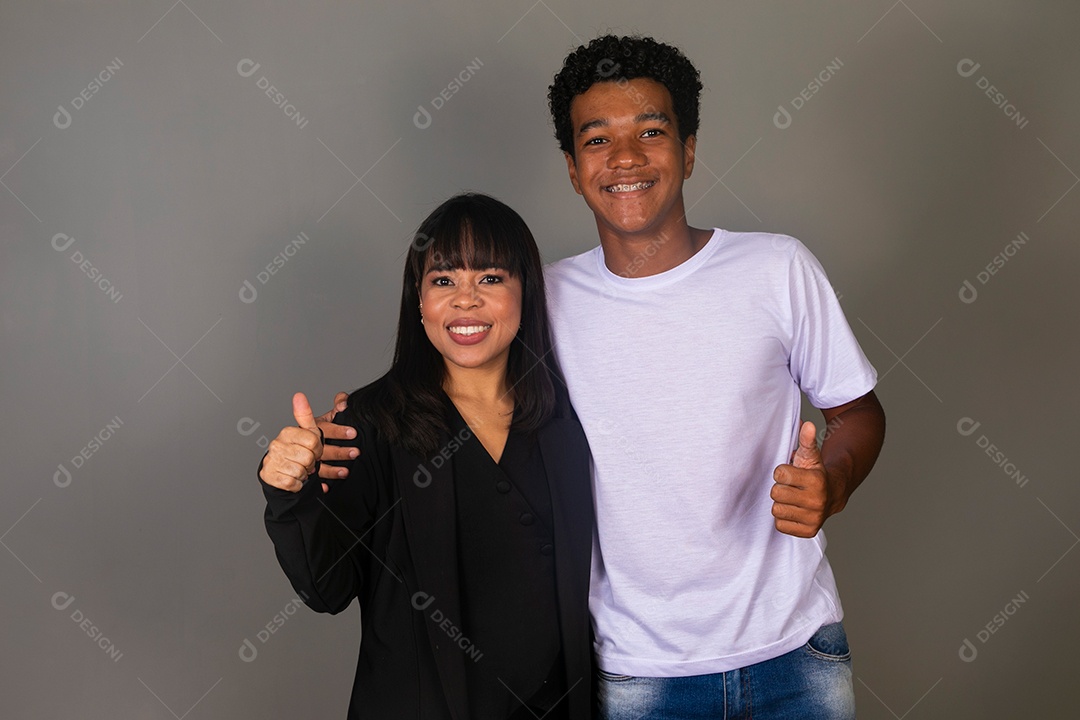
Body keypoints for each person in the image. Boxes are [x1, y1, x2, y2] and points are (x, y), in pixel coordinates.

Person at [315, 35, 887, 719]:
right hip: (636, 675)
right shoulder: (540, 304)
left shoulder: (778, 270)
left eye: (652, 131)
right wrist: (355, 428)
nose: (625, 159)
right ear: (571, 166)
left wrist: (835, 483)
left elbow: (857, 413)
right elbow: (454, 386)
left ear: (690, 149)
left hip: (795, 652)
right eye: (597, 140)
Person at [258, 193, 594, 719]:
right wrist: (287, 492)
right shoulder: (369, 423)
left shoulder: (567, 419)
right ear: (418, 300)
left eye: (490, 278)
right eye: (443, 281)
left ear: (525, 291)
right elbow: (327, 588)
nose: (466, 300)